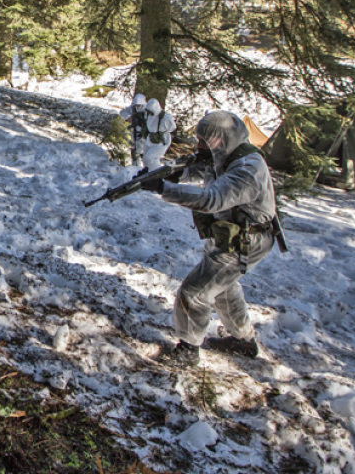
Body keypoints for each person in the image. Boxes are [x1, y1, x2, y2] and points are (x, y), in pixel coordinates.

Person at [139, 110, 278, 367]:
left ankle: (188, 348)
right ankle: (243, 340)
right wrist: (171, 174)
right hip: (229, 234)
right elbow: (202, 169)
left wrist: (164, 188)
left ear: (223, 138)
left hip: (245, 241)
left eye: (204, 140)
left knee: (195, 292)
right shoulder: (226, 155)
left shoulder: (247, 170)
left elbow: (211, 198)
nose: (199, 145)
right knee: (222, 287)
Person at [142, 98, 176, 171]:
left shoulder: (166, 117)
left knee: (151, 158)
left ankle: (157, 172)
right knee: (145, 158)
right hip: (150, 139)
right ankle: (148, 172)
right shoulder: (148, 115)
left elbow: (172, 127)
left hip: (160, 142)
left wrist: (162, 131)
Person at [119, 93, 149, 167]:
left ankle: (147, 168)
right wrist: (129, 117)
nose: (137, 107)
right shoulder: (132, 108)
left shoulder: (148, 109)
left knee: (145, 153)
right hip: (135, 133)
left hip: (145, 134)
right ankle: (135, 168)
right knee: (135, 152)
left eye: (139, 105)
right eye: (136, 105)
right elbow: (122, 112)